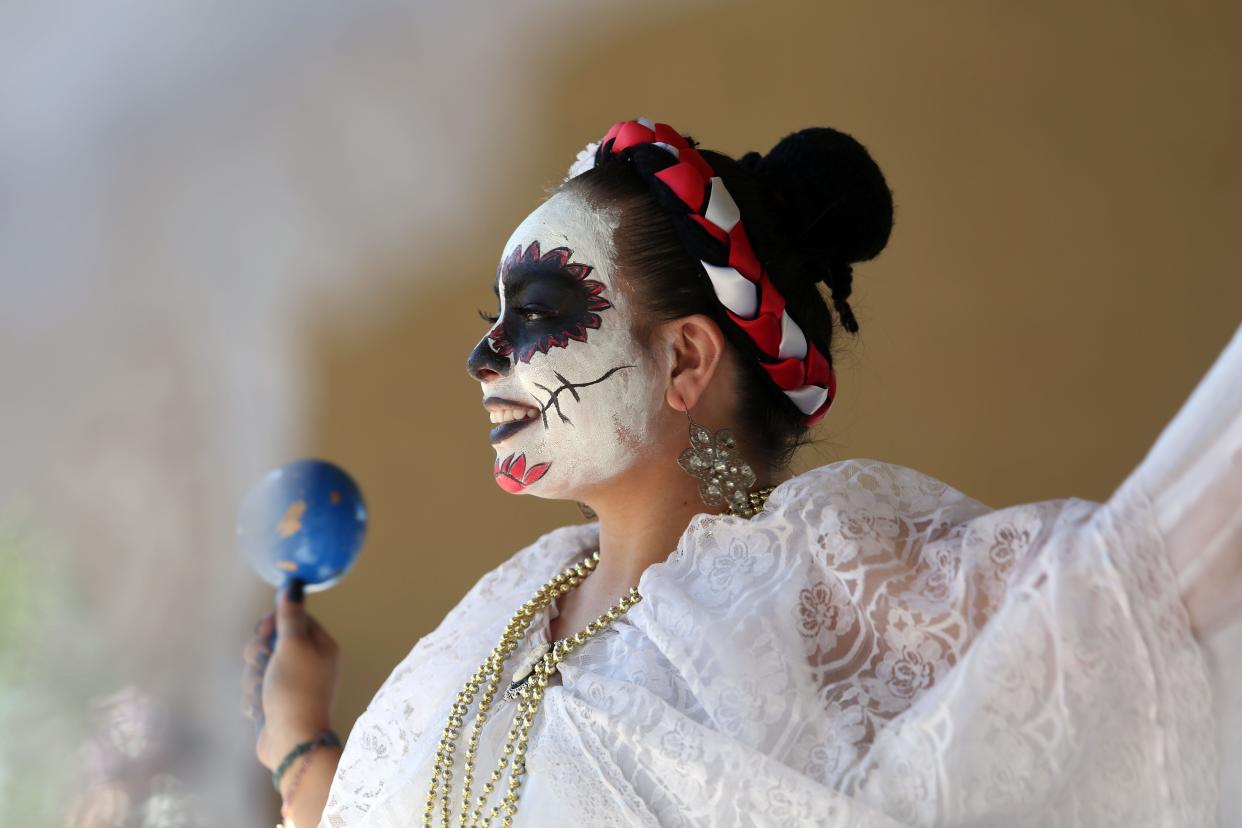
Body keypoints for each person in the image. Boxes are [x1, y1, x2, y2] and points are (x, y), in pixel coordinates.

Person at [240, 119, 1241, 827]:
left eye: (539, 311)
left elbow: (1138, 599)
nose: (486, 359)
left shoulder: (820, 570)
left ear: (684, 361)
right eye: (493, 322)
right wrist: (296, 735)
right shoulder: (494, 616)